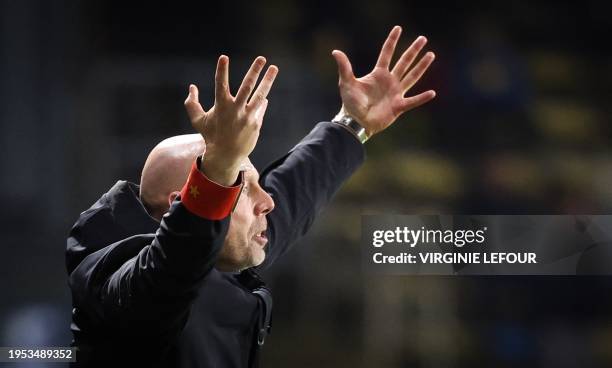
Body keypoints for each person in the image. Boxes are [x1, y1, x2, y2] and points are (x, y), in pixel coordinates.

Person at [66, 26, 436, 367]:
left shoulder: (223, 250)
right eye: (240, 187)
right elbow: (171, 268)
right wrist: (219, 165)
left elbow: (289, 196)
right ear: (179, 206)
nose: (268, 202)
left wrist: (353, 124)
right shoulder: (122, 287)